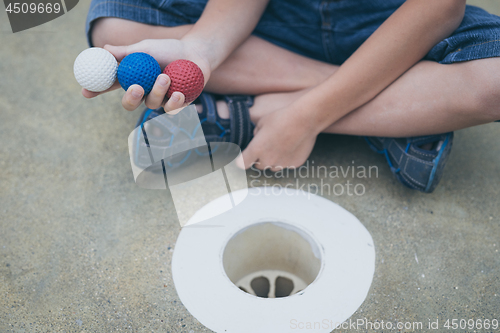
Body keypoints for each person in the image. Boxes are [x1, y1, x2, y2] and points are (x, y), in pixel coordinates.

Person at [82, 0, 500, 193]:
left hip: (391, 18)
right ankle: (395, 108)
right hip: (277, 14)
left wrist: (305, 117)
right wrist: (200, 50)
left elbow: (440, 7)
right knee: (115, 28)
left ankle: (238, 114)